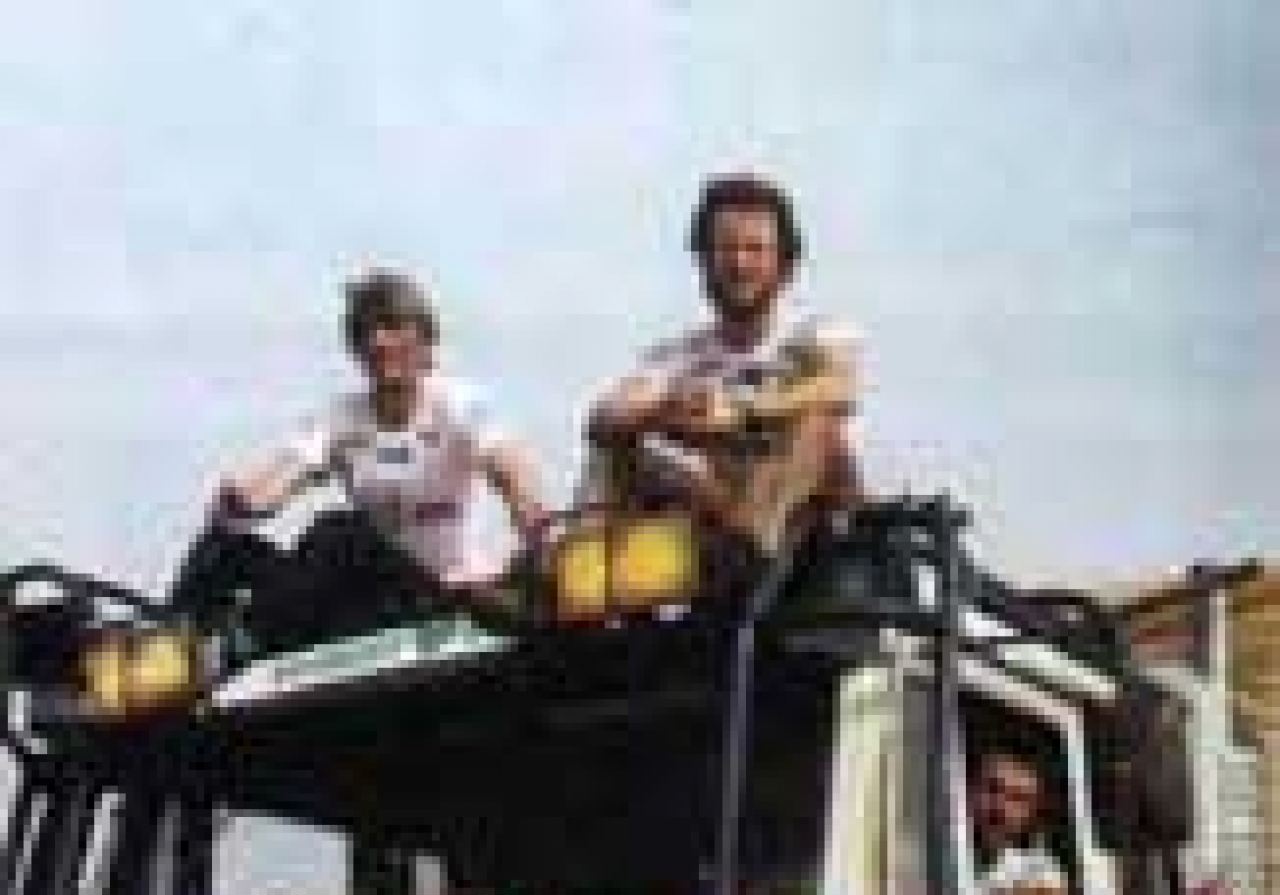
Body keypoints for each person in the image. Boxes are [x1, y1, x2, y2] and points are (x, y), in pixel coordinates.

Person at [169, 270, 545, 651]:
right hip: (366, 601)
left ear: (424, 341)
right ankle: (163, 652)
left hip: (437, 594)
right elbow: (282, 476)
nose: (378, 341)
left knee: (339, 531)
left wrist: (540, 554)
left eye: (392, 326)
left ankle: (250, 639)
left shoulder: (460, 406)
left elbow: (515, 478)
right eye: (366, 332)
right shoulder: (341, 419)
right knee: (225, 548)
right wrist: (240, 499)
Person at [586, 173, 860, 556]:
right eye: (726, 249)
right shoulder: (676, 357)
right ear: (703, 261)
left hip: (811, 530)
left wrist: (741, 411)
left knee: (817, 424)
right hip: (713, 511)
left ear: (784, 265)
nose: (739, 263)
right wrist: (674, 408)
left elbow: (838, 387)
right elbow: (606, 414)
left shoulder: (814, 336)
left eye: (755, 249)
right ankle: (584, 562)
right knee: (625, 443)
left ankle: (751, 542)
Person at [971, 747, 1072, 895]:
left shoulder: (1030, 863)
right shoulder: (929, 850)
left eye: (1019, 799)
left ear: (1033, 813)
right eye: (993, 789)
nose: (1001, 808)